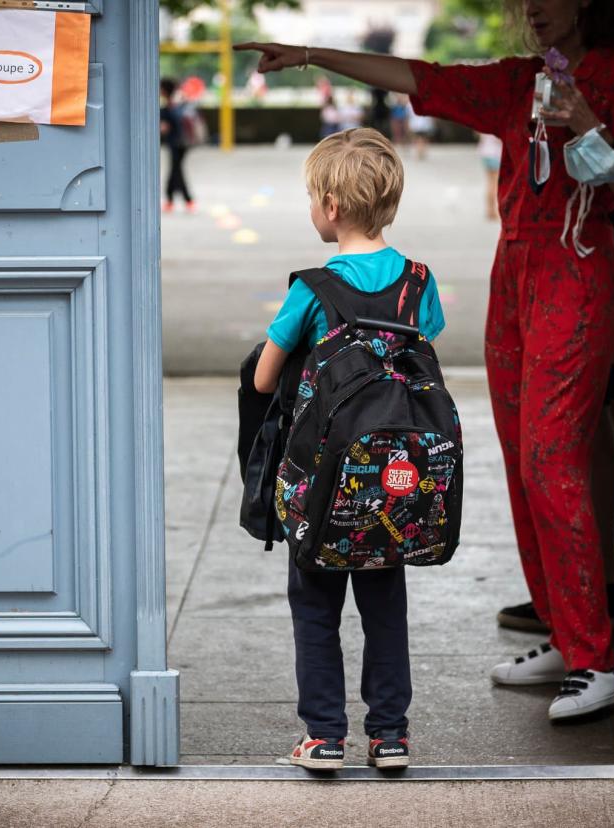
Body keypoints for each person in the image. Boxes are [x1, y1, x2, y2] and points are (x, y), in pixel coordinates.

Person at [237, 0, 614, 722]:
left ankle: (596, 654)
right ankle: (565, 632)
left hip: (577, 270)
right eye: (526, 0)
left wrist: (588, 126)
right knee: (517, 456)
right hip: (515, 273)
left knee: (550, 458)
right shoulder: (519, 81)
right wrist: (308, 53)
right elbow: (419, 75)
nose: (536, 10)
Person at [252, 128, 447, 770]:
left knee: (315, 607)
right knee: (384, 607)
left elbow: (263, 378)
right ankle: (390, 734)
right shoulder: (418, 282)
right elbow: (420, 354)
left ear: (331, 206)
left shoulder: (312, 288)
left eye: (313, 199)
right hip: (392, 484)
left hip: (321, 482)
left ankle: (325, 736)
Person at [159, 77, 196, 214]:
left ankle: (184, 200)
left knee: (176, 171)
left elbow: (165, 128)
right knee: (176, 171)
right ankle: (178, 201)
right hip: (182, 142)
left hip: (177, 142)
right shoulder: (179, 102)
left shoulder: (169, 106)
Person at [478, 132, 503, 220]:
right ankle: (495, 211)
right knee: (495, 184)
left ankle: (489, 210)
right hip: (495, 154)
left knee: (489, 183)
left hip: (484, 153)